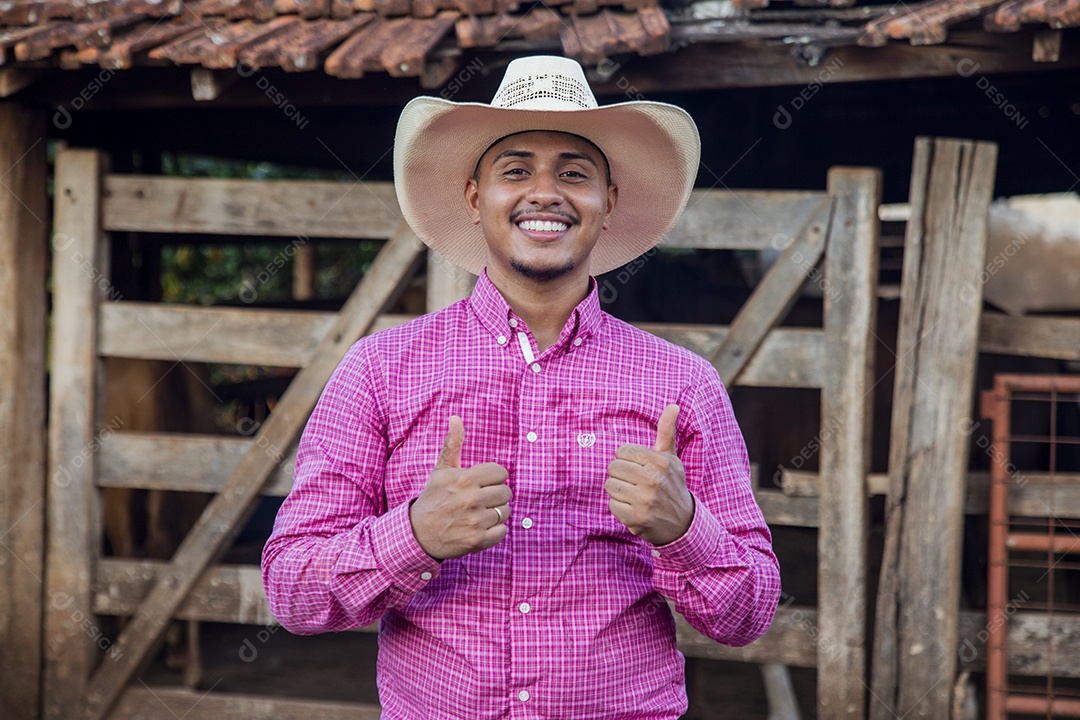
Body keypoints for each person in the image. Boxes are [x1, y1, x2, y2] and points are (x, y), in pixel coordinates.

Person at [262, 55, 780, 719]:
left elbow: (749, 613)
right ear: (474, 199)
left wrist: (684, 530)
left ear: (608, 202)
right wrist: (414, 535)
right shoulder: (379, 370)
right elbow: (293, 589)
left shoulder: (682, 382)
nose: (545, 193)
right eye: (515, 171)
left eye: (573, 173)